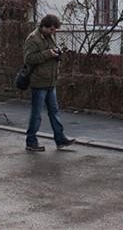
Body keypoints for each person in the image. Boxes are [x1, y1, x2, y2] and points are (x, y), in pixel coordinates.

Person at [23, 14, 75, 152]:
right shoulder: (33, 39)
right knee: (37, 114)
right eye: (52, 29)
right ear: (44, 27)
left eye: (55, 29)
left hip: (50, 81)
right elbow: (28, 59)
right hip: (39, 82)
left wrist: (57, 54)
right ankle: (31, 141)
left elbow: (51, 53)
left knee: (54, 112)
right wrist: (48, 54)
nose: (54, 32)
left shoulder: (49, 37)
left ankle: (60, 139)